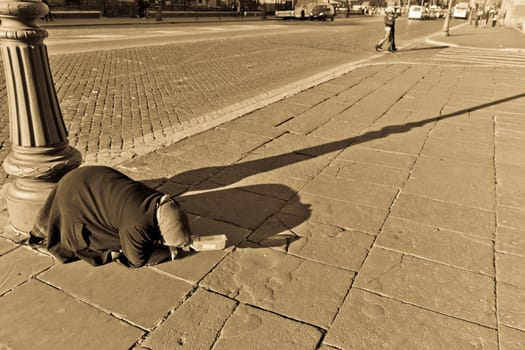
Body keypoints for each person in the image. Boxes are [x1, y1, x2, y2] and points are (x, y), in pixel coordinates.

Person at [29, 166, 193, 268]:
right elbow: (136, 259)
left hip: (84, 176)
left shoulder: (159, 199)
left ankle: (42, 230)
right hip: (74, 198)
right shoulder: (136, 225)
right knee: (111, 246)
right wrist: (166, 251)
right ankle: (44, 235)